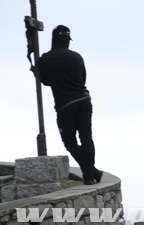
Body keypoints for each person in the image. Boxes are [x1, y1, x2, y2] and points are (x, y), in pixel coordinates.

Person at [37, 25, 102, 185]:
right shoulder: (77, 57)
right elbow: (83, 78)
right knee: (86, 138)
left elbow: (45, 81)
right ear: (67, 40)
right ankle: (91, 173)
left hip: (65, 106)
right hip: (84, 100)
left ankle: (90, 173)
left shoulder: (45, 59)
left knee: (69, 141)